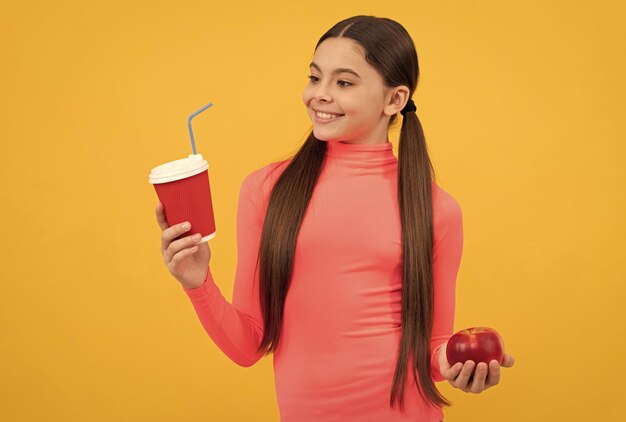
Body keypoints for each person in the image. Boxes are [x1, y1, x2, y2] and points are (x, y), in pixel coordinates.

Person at [155, 15, 514, 422]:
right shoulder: (267, 190)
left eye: (344, 83)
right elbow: (247, 346)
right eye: (314, 77)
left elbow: (433, 350)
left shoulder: (437, 210)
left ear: (394, 100)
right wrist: (197, 282)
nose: (319, 95)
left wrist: (458, 366)